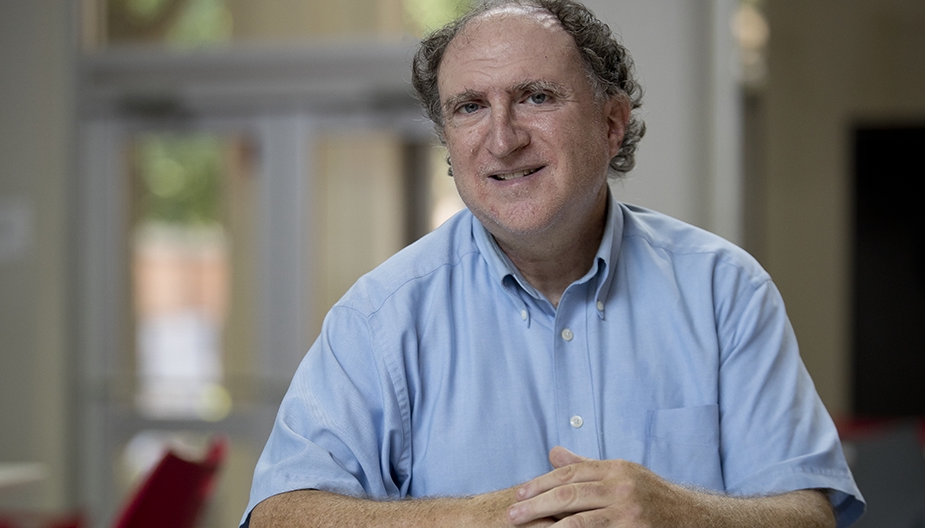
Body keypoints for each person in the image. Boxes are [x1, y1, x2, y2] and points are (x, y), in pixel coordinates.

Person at [241, 0, 865, 526]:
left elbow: (810, 512)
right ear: (449, 145)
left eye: (536, 97)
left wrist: (678, 511)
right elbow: (280, 513)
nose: (504, 137)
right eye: (469, 107)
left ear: (612, 124)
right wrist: (488, 517)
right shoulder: (381, 318)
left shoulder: (723, 290)